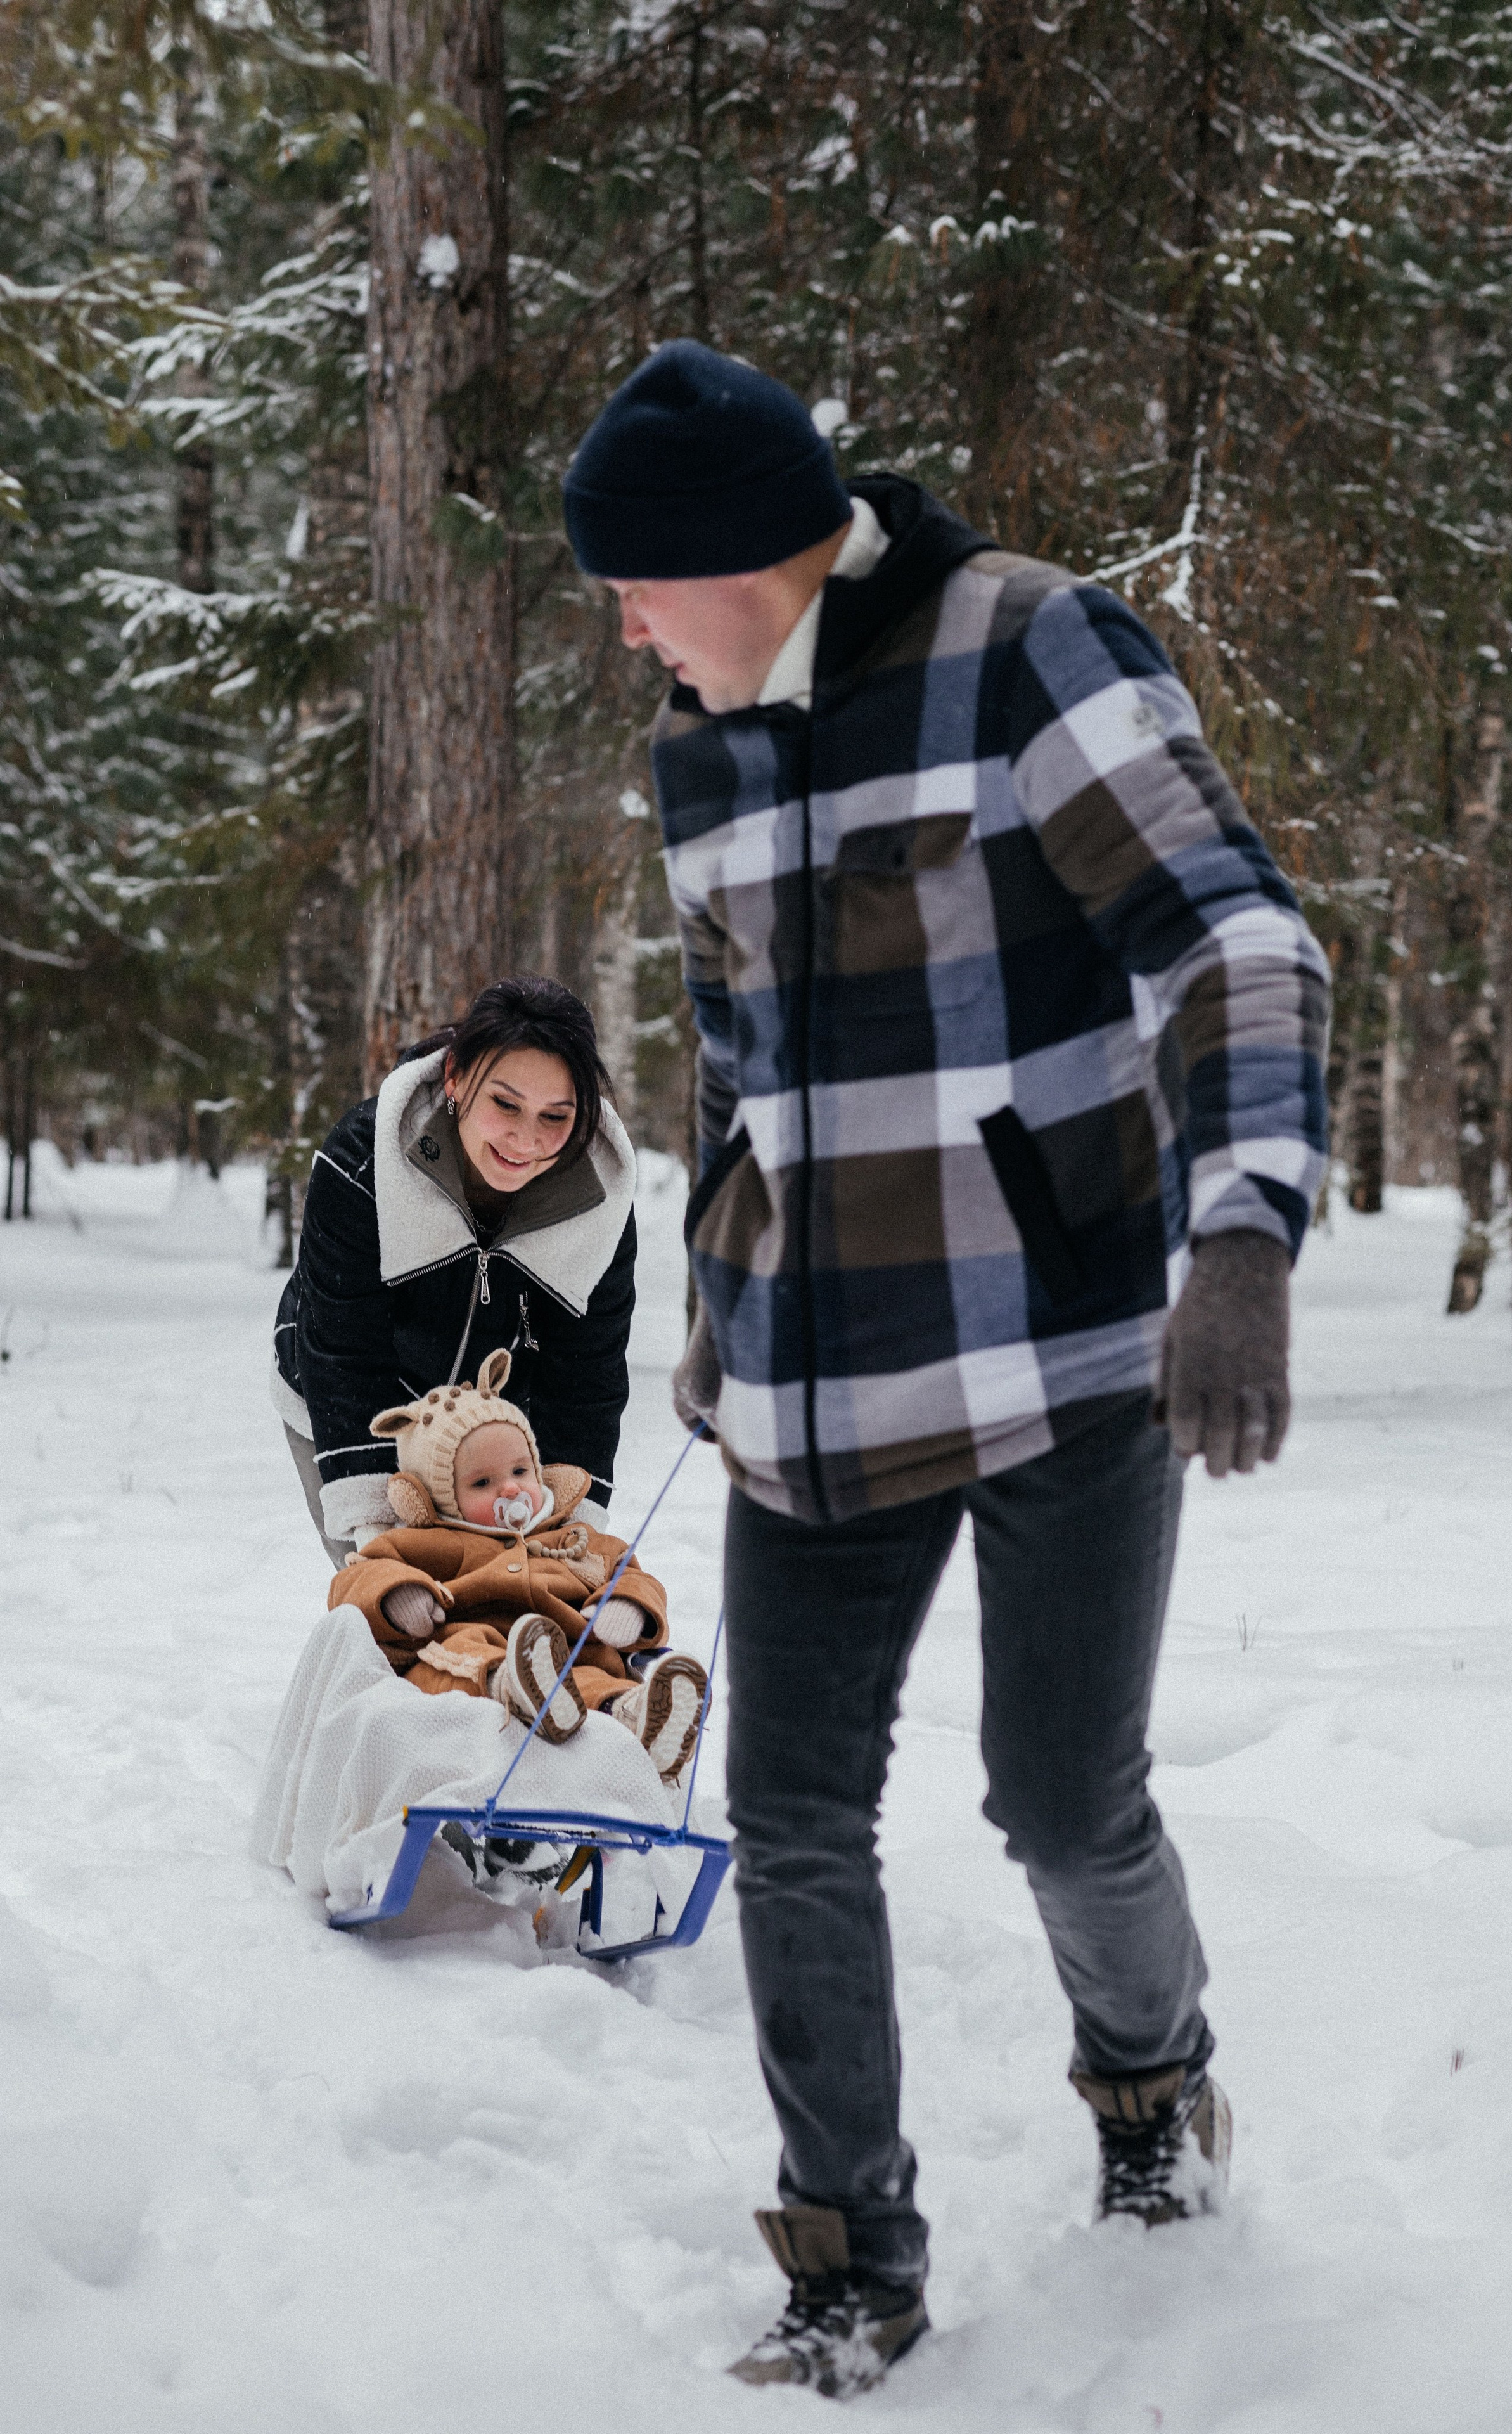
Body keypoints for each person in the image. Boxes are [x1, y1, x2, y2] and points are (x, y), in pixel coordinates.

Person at [562, 341, 1331, 2396]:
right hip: (821, 1381)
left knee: (1062, 1805)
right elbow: (740, 1066)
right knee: (794, 1816)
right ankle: (850, 2261)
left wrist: (1242, 1235)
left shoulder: (1024, 651)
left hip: (1065, 1347)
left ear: (736, 555)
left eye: (634, 588)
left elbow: (1234, 941)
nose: (626, 630)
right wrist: (717, 1311)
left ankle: (1153, 2086)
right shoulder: (700, 743)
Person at [272, 976, 636, 1566]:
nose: (526, 1139)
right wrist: (382, 1545)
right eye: (505, 1104)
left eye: (555, 1116)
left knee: (514, 1595)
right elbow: (344, 1355)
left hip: (496, 1436)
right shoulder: (364, 1162)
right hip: (361, 1407)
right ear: (456, 1078)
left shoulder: (598, 1203)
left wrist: (572, 1528)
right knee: (394, 1601)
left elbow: (586, 1378)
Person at [333, 1347, 710, 1782]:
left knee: (592, 1676)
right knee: (461, 1651)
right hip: (465, 1657)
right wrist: (397, 1594)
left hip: (568, 1656)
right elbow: (357, 1576)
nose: (511, 1490)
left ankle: (635, 1716)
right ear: (438, 1496)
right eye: (482, 1482)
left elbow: (630, 1573)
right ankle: (514, 1686)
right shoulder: (424, 1543)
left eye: (519, 1471)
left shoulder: (571, 1537)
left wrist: (625, 1604)